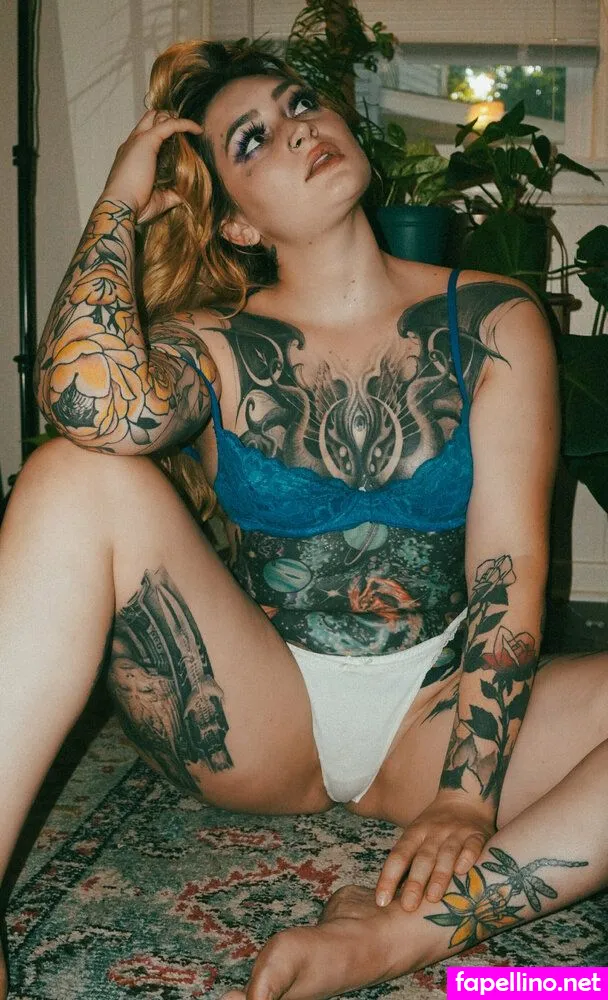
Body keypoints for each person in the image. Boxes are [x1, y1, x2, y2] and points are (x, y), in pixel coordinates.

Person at [0, 38, 607, 1000]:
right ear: (235, 222)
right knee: (70, 473)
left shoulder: (494, 319)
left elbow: (509, 568)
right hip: (262, 713)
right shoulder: (211, 343)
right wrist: (117, 202)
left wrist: (464, 795)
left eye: (299, 104)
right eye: (252, 139)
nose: (297, 129)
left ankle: (400, 937)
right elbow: (90, 405)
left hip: (434, 713)